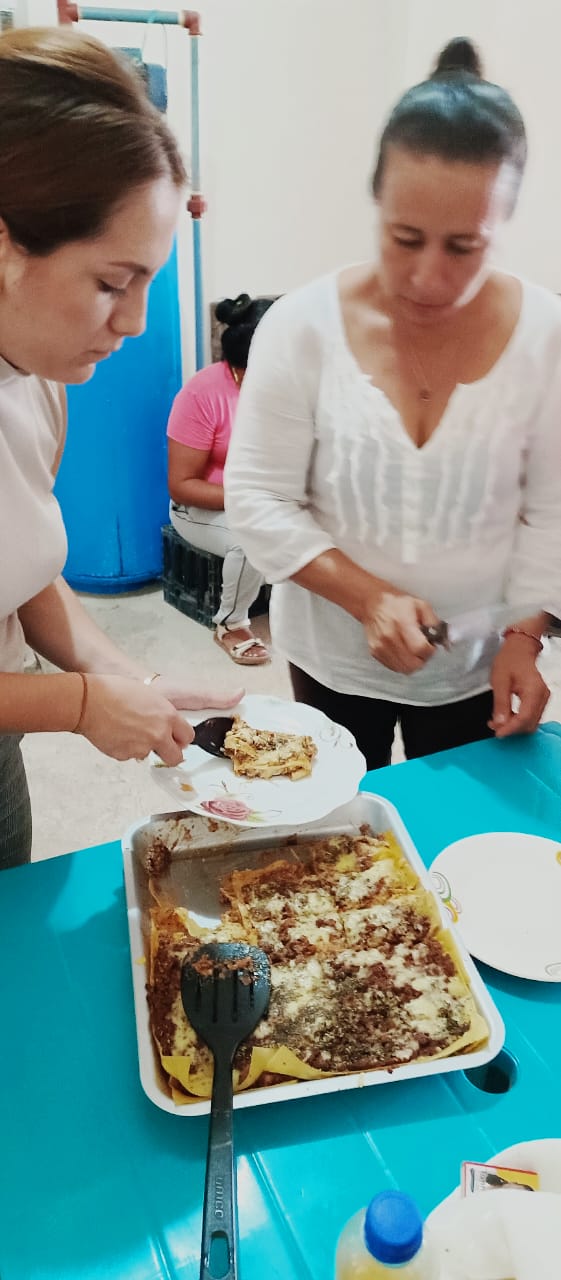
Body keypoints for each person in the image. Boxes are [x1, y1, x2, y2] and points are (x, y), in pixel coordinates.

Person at [225, 37, 561, 770]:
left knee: (465, 825)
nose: (427, 277)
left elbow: (550, 508)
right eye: (404, 238)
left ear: (504, 224)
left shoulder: (546, 337)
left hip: (478, 660)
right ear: (376, 202)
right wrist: (366, 596)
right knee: (343, 817)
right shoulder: (302, 327)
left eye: (464, 247)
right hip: (332, 656)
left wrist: (524, 636)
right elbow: (257, 497)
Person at [0, 26, 242, 870]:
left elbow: (23, 570)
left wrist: (127, 681)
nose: (135, 322)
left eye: (148, 282)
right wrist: (75, 705)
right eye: (111, 283)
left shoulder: (36, 380)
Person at [167, 293, 273, 665]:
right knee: (252, 537)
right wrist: (254, 497)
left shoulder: (288, 386)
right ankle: (231, 624)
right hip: (204, 508)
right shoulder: (202, 393)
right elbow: (182, 485)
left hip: (268, 495)